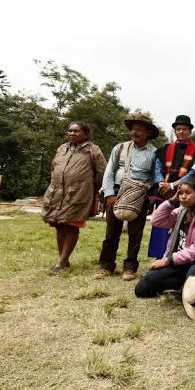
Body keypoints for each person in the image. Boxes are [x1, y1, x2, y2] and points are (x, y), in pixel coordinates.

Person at [95, 113, 158, 281]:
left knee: (135, 233)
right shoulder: (120, 148)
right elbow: (109, 171)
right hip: (117, 190)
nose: (134, 133)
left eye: (139, 130)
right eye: (133, 129)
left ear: (148, 133)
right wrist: (109, 194)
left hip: (140, 194)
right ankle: (106, 266)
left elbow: (154, 177)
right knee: (111, 232)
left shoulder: (154, 153)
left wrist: (150, 198)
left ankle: (130, 268)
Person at [41, 121, 107, 274]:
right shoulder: (62, 148)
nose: (72, 133)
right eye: (70, 131)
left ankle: (62, 261)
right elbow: (53, 168)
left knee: (72, 225)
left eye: (76, 131)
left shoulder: (93, 150)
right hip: (57, 193)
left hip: (78, 194)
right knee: (59, 224)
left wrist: (89, 188)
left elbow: (101, 172)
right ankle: (63, 260)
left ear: (86, 133)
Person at [135, 178, 195, 297]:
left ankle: (185, 286)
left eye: (187, 193)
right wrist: (172, 200)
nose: (183, 196)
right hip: (177, 263)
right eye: (180, 193)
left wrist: (167, 260)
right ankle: (181, 284)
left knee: (188, 297)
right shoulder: (181, 211)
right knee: (142, 289)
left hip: (194, 263)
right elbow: (157, 220)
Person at [148, 115, 195, 258]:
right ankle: (159, 257)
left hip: (184, 193)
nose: (181, 132)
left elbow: (194, 172)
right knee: (161, 223)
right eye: (178, 129)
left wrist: (173, 186)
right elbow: (158, 168)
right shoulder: (164, 149)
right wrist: (161, 183)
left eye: (184, 129)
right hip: (163, 193)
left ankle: (177, 256)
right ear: (174, 131)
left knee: (181, 226)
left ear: (190, 131)